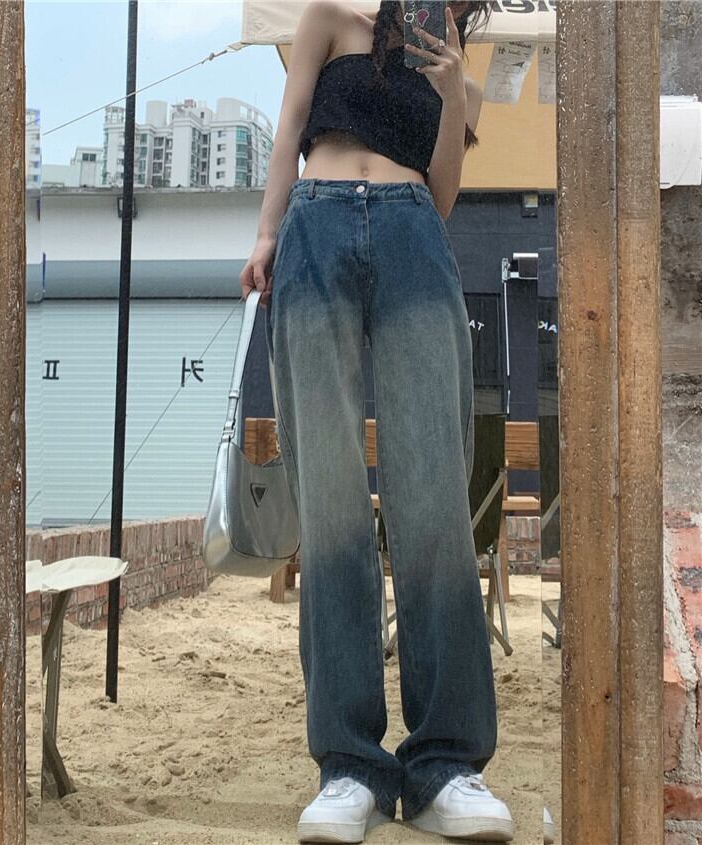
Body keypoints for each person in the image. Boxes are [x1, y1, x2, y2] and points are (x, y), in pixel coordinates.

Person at [239, 2, 514, 842]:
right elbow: (290, 128)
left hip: (411, 235)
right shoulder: (328, 15)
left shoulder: (452, 52)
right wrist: (266, 233)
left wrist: (454, 92)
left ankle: (445, 765)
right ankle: (349, 766)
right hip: (316, 224)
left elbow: (443, 193)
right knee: (330, 506)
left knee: (433, 501)